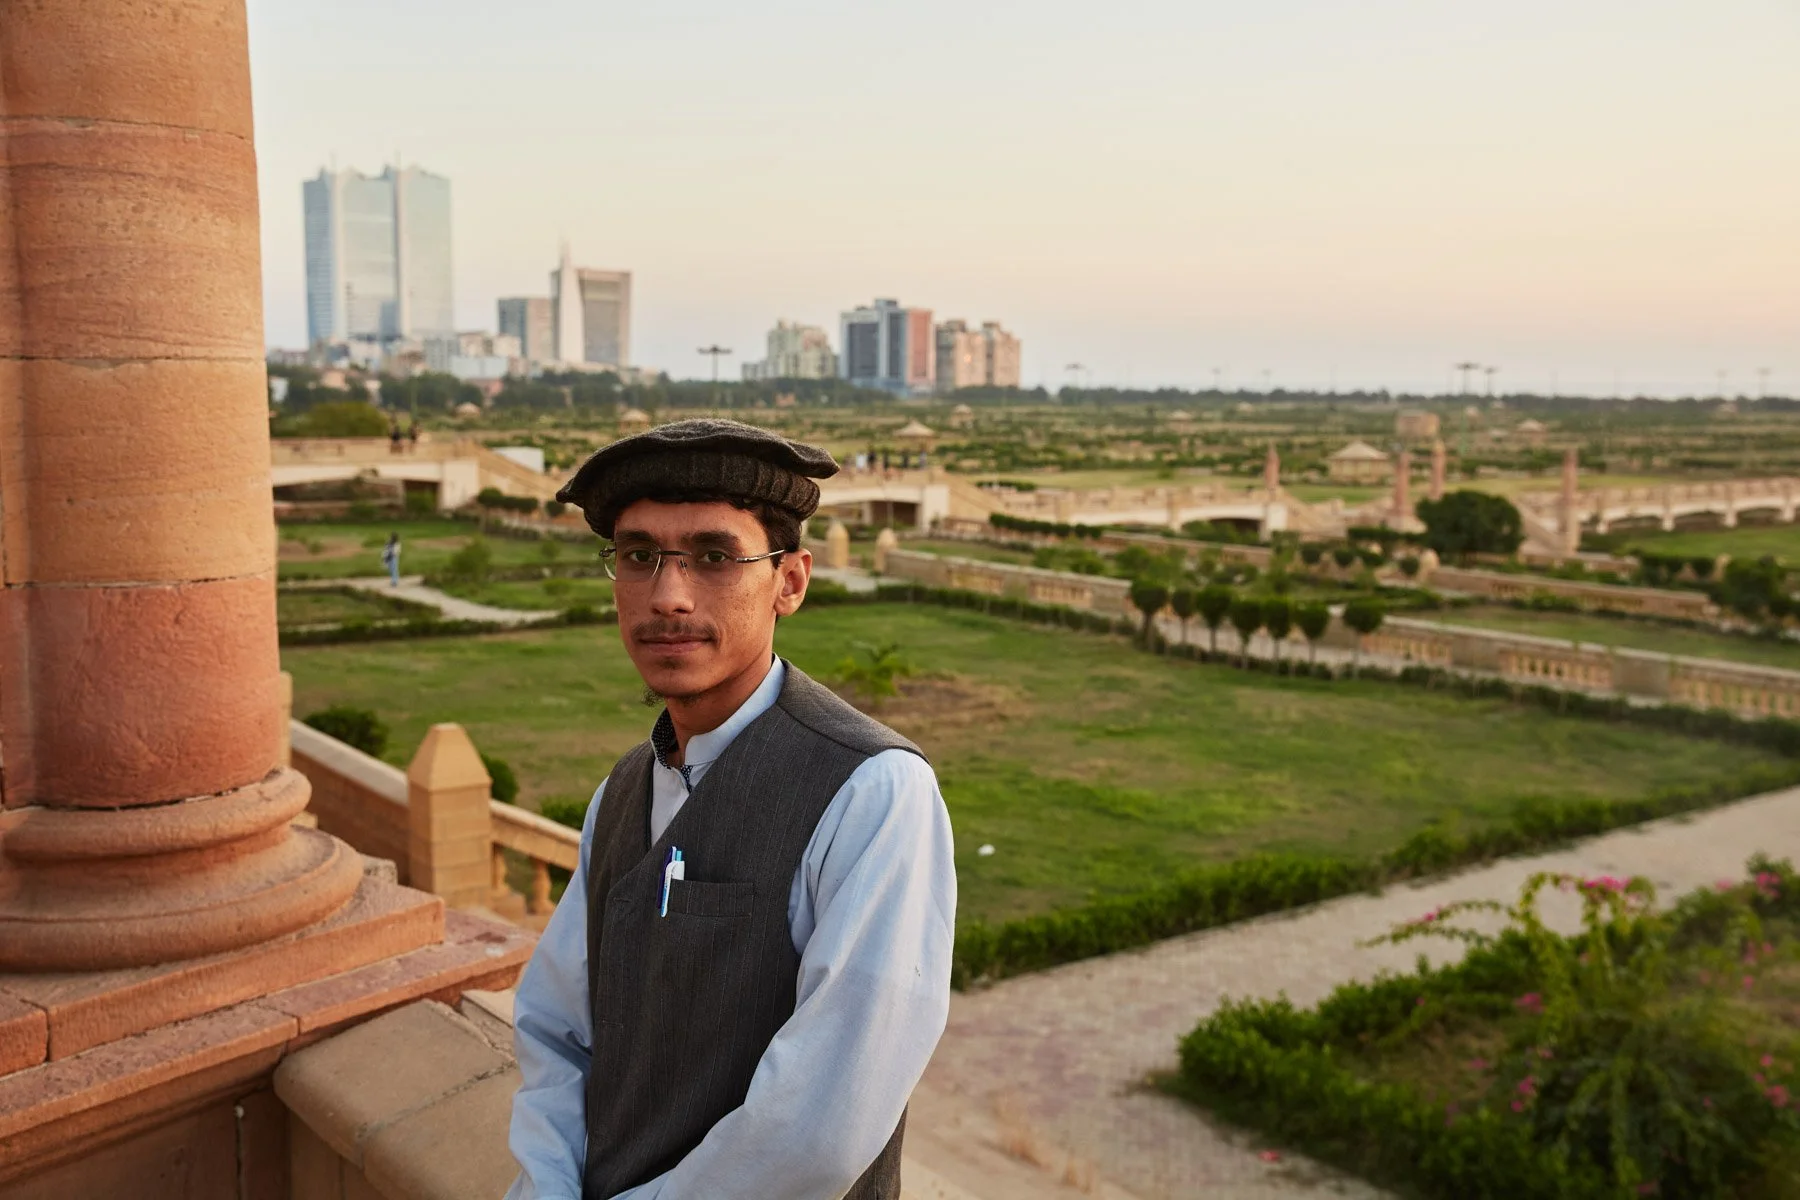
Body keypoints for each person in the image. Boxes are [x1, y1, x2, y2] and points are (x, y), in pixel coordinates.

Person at [506, 418, 956, 1200]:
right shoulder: (623, 791)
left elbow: (820, 1126)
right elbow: (557, 1031)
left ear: (791, 580)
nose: (667, 595)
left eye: (714, 556)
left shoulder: (873, 792)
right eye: (640, 556)